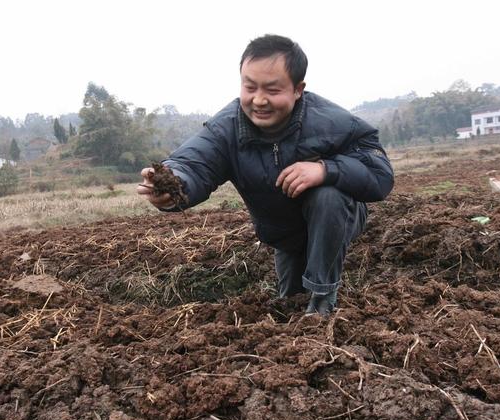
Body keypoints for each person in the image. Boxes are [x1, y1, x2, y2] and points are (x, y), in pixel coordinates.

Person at [138, 34, 394, 315]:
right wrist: (172, 185)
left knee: (328, 196)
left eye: (272, 90)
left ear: (298, 89)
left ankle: (323, 299)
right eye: (250, 87)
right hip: (283, 233)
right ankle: (304, 299)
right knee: (289, 304)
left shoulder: (332, 122)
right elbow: (194, 163)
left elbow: (378, 171)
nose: (259, 100)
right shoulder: (227, 128)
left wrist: (326, 170)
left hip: (337, 217)